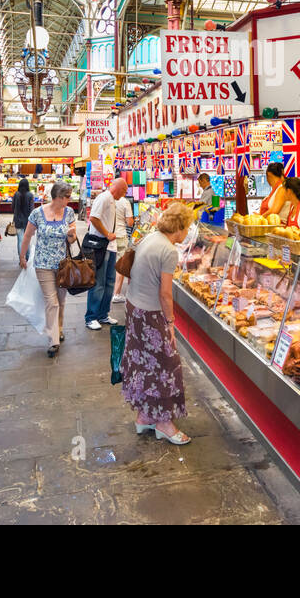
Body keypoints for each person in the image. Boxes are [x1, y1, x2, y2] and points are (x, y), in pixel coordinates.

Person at [120, 202, 195, 445]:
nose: (188, 233)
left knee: (143, 364)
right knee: (166, 366)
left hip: (134, 308)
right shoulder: (169, 251)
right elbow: (165, 293)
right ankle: (164, 423)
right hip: (151, 313)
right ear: (180, 228)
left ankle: (144, 416)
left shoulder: (151, 237)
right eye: (188, 228)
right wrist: (170, 322)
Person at [20, 180, 78, 358]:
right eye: (67, 197)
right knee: (51, 302)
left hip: (63, 265)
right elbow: (28, 235)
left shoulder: (69, 213)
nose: (70, 200)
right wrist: (22, 256)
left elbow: (72, 240)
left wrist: (71, 236)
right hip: (43, 264)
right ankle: (53, 340)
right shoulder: (37, 213)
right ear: (59, 197)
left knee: (61, 301)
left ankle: (58, 329)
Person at [85, 177, 128, 330]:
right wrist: (107, 233)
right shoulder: (104, 198)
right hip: (101, 246)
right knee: (99, 282)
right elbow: (93, 218)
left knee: (109, 282)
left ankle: (103, 314)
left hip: (110, 246)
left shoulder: (111, 200)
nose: (124, 194)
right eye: (124, 191)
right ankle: (91, 316)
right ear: (117, 188)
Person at [111, 191, 134, 304]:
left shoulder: (108, 200)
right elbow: (129, 222)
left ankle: (109, 291)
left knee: (111, 264)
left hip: (109, 235)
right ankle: (116, 293)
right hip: (120, 235)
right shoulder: (125, 202)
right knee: (121, 265)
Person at [10, 177, 34, 246]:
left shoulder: (16, 194)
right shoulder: (30, 195)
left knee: (20, 240)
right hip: (28, 221)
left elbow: (12, 207)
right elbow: (32, 209)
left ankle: (21, 256)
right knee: (27, 240)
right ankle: (27, 256)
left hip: (17, 220)